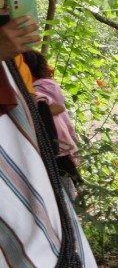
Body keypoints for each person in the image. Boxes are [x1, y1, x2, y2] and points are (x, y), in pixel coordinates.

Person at [0, 0, 118, 268]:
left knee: (60, 257)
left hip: (37, 175)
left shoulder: (17, 63)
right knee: (31, 266)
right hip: (14, 186)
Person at [20, 49, 83, 195]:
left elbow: (56, 107)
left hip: (58, 147)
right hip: (56, 146)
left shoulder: (44, 85)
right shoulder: (42, 85)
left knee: (63, 188)